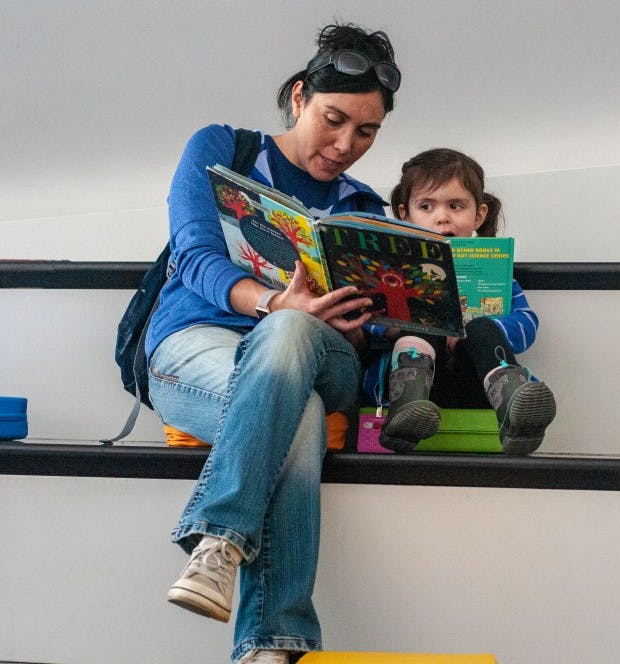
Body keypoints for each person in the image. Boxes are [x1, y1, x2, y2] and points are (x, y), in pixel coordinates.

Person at [145, 24, 400, 664]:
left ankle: (219, 540)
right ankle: (272, 647)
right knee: (300, 407)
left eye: (365, 132)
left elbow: (377, 326)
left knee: (294, 333)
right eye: (334, 119)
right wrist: (271, 303)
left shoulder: (366, 207)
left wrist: (353, 325)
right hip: (195, 347)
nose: (345, 145)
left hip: (323, 355)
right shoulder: (223, 149)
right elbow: (196, 256)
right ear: (297, 97)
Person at [371, 148, 557, 456]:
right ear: (405, 214)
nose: (441, 216)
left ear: (479, 215)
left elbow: (528, 324)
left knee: (481, 327)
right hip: (422, 385)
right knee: (423, 322)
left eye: (455, 205)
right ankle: (406, 408)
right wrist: (390, 328)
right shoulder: (393, 274)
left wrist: (475, 328)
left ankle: (515, 409)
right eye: (426, 206)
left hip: (478, 383)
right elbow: (368, 319)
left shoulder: (494, 273)